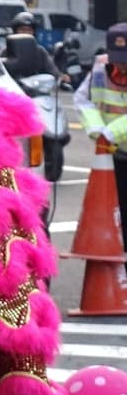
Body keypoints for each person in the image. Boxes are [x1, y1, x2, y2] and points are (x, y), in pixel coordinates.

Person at [75, 23, 127, 245]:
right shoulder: (99, 68)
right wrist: (96, 127)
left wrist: (113, 131)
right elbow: (82, 99)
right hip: (113, 155)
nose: (121, 65)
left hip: (115, 141)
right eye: (117, 57)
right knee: (117, 210)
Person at [2, 11, 58, 83]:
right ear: (15, 31)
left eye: (29, 30)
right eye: (22, 30)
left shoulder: (40, 51)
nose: (26, 33)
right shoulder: (6, 50)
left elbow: (53, 72)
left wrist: (60, 78)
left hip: (35, 89)